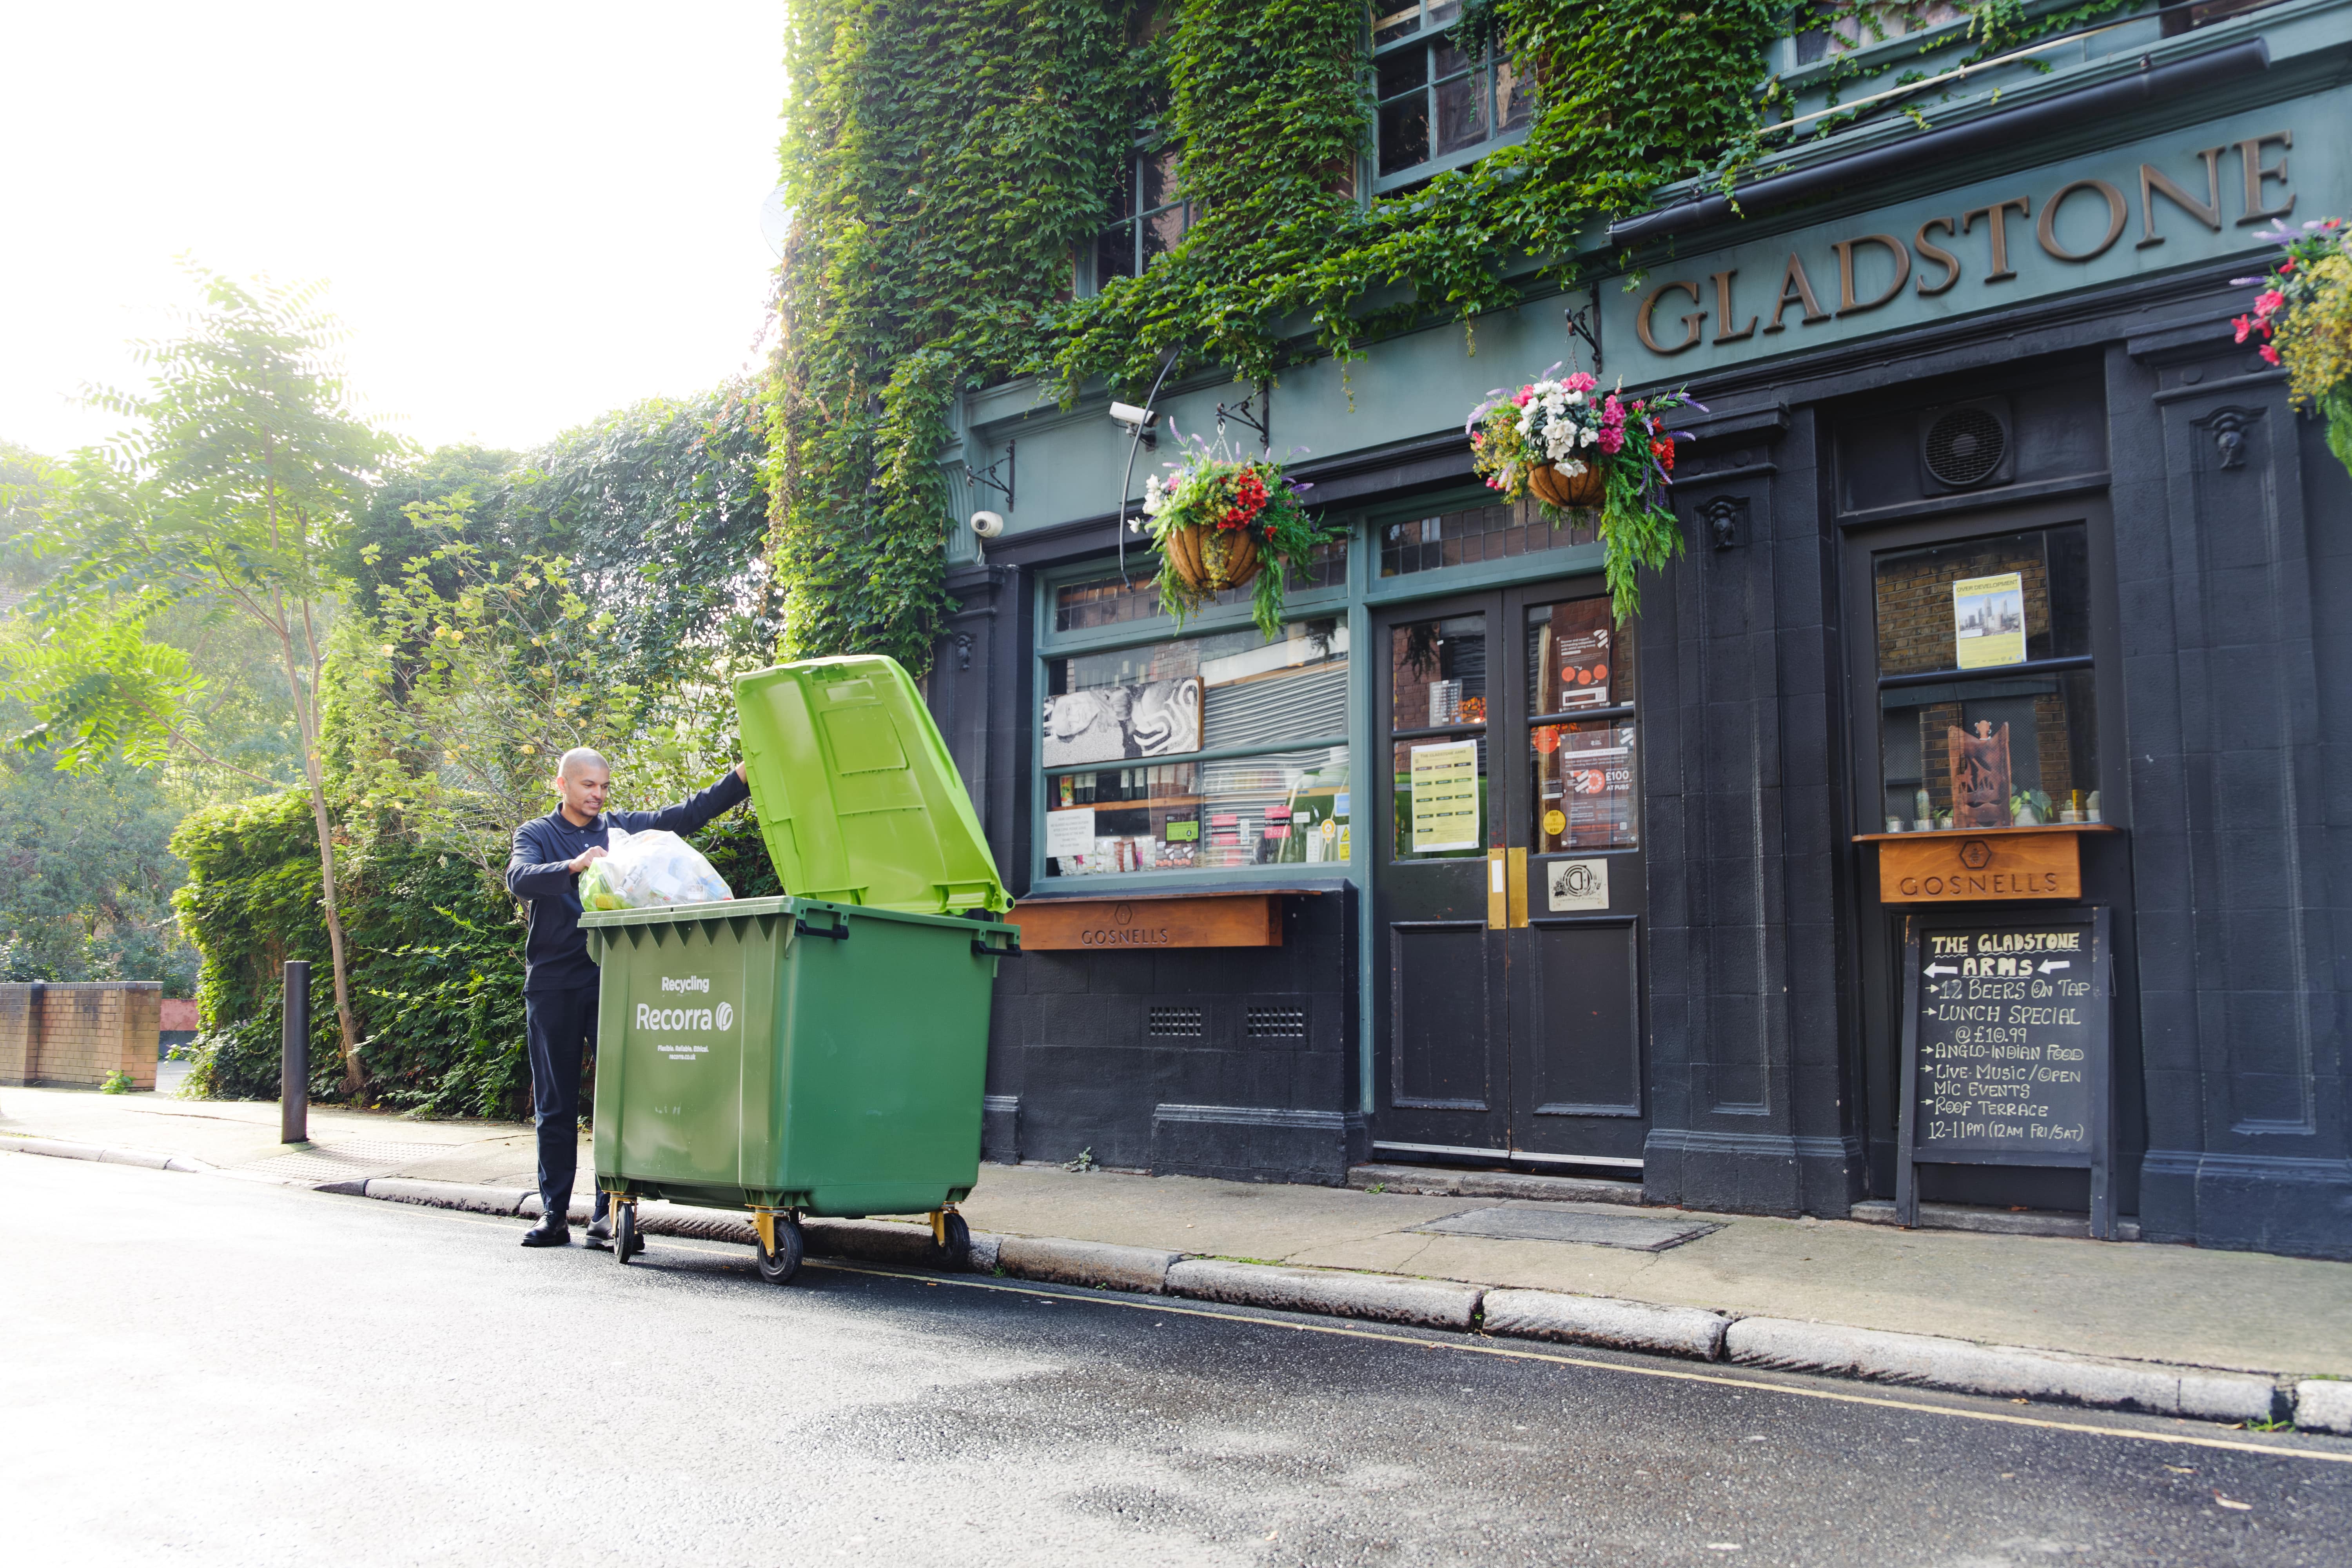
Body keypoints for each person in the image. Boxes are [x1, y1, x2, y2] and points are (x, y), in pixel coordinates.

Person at [506, 748, 751, 1247]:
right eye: (586, 785)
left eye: (602, 786)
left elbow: (683, 816)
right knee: (555, 1105)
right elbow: (518, 878)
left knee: (616, 1103)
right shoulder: (537, 834)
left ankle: (607, 1214)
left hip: (614, 979)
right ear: (562, 785)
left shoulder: (621, 832)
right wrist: (573, 865)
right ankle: (553, 1214)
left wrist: (742, 777)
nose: (596, 795)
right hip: (553, 983)